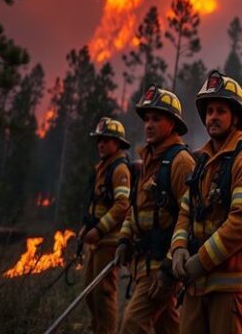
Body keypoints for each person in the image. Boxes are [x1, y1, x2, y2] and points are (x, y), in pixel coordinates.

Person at [170, 70, 242, 334]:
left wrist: (200, 260)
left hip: (228, 287)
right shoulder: (201, 162)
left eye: (220, 111)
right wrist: (178, 247)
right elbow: (186, 211)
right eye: (209, 111)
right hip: (196, 286)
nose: (213, 116)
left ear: (235, 117)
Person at [116, 85, 195, 334]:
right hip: (144, 264)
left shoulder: (181, 163)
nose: (149, 124)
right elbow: (136, 208)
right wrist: (124, 238)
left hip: (161, 267)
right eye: (146, 119)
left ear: (172, 124)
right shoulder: (147, 161)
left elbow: (191, 218)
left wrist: (170, 270)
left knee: (132, 325)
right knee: (168, 326)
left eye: (156, 119)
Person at [82, 117, 132, 334]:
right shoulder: (103, 168)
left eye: (107, 140)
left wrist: (100, 229)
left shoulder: (119, 169)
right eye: (99, 140)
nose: (101, 144)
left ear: (118, 143)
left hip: (109, 241)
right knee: (90, 293)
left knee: (103, 292)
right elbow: (97, 204)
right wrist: (86, 227)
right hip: (96, 241)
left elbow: (122, 205)